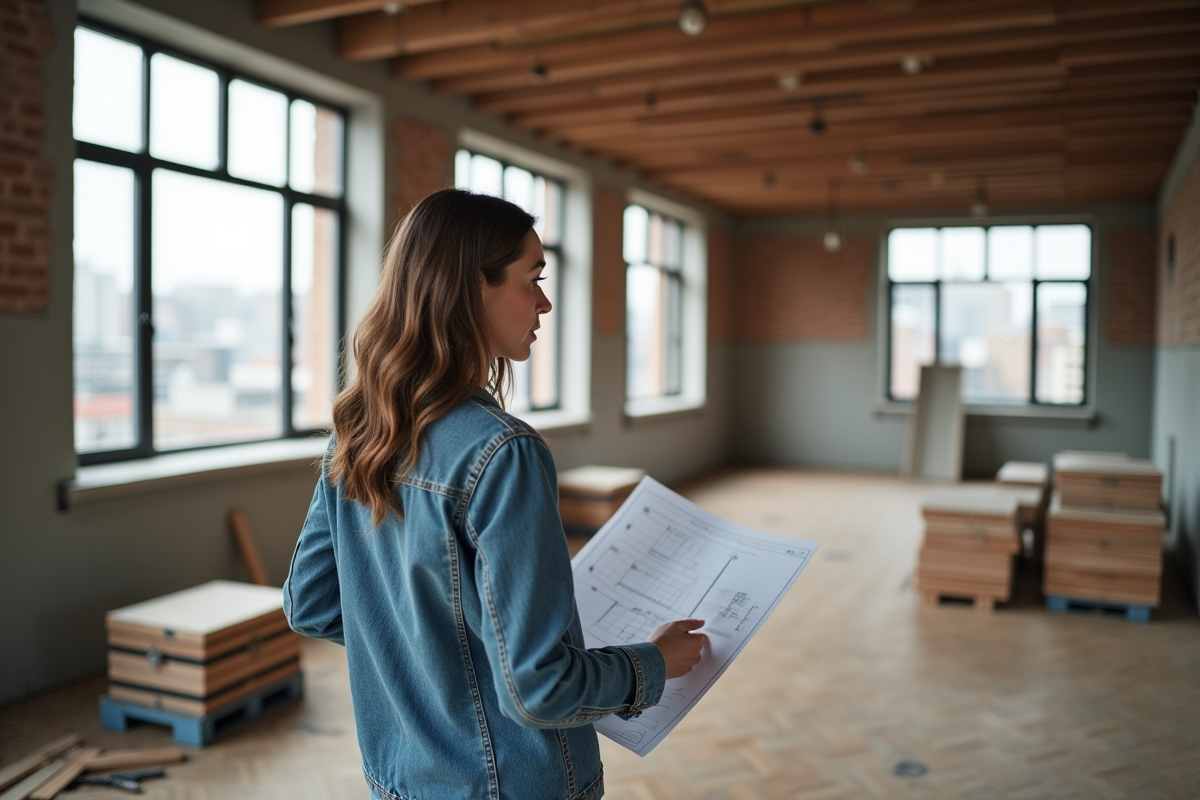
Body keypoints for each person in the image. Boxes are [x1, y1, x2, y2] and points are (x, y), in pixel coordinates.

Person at [283, 188, 708, 800]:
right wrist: (654, 663)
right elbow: (540, 688)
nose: (545, 301)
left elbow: (313, 604)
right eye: (530, 279)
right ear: (472, 288)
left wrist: (434, 646)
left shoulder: (359, 427)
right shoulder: (503, 452)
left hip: (399, 782)